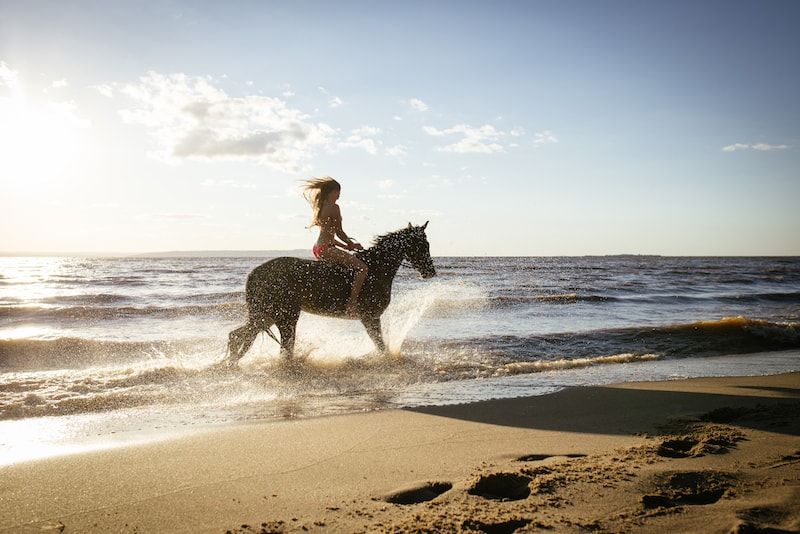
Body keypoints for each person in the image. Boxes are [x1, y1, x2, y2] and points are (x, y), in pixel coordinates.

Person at [302, 177, 367, 316]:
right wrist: (351, 244)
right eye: (338, 192)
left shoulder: (322, 207)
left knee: (338, 272)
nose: (339, 195)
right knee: (362, 268)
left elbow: (330, 235)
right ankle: (351, 304)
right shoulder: (334, 207)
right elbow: (339, 231)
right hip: (327, 249)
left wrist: (345, 246)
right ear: (332, 192)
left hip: (318, 247)